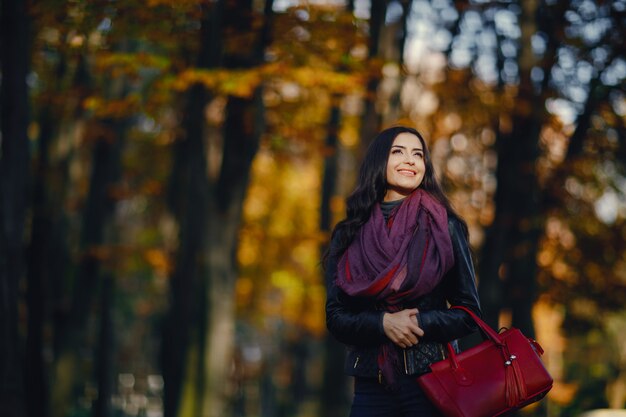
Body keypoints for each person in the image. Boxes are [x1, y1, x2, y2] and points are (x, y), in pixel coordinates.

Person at [324, 126, 482, 417]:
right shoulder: (348, 233)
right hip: (371, 385)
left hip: (433, 381)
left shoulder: (446, 226)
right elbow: (336, 318)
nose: (410, 160)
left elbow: (468, 313)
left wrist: (418, 322)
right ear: (379, 161)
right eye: (398, 152)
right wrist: (383, 323)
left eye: (418, 154)